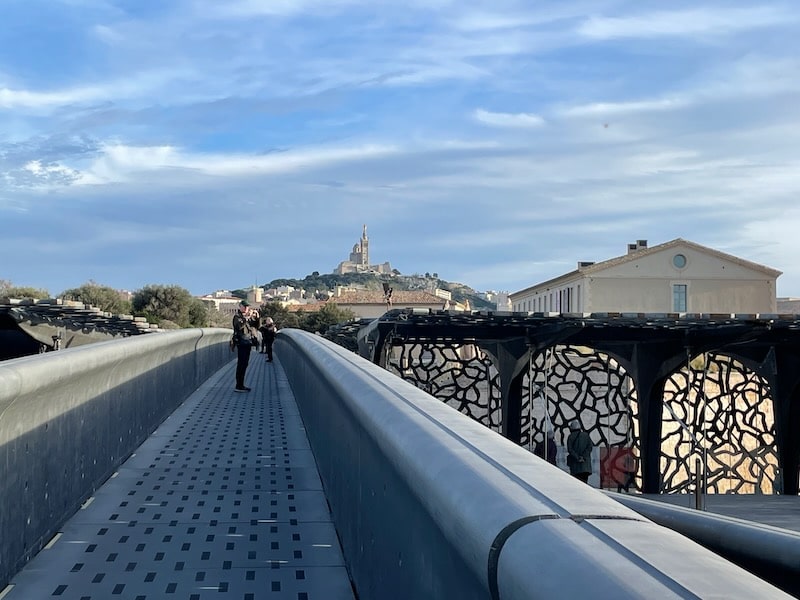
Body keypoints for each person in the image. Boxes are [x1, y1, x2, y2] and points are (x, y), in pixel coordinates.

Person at [232, 299, 256, 392]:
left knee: (245, 364)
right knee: (241, 364)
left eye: (247, 307)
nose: (246, 308)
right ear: (240, 306)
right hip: (241, 342)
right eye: (245, 306)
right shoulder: (237, 317)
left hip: (247, 343)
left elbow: (256, 326)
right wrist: (246, 318)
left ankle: (241, 384)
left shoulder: (248, 317)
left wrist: (256, 318)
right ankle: (239, 385)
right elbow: (239, 327)